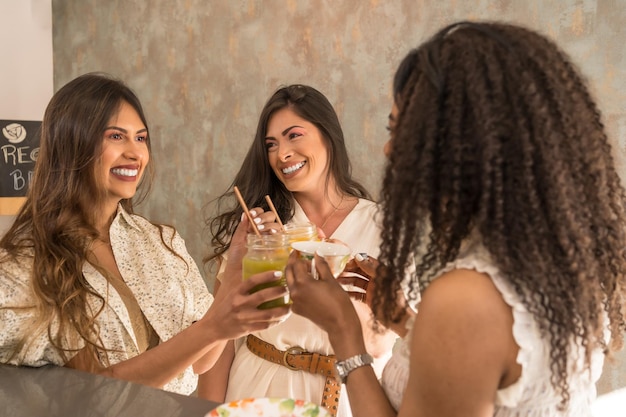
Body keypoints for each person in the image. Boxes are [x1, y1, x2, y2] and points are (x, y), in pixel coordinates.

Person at [285, 21, 626, 417]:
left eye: (404, 132)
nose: (389, 148)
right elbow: (477, 374)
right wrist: (404, 320)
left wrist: (343, 330)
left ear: (469, 146)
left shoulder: (464, 299)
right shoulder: (568, 268)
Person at [0, 73, 289, 396]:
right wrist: (215, 326)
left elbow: (201, 361)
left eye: (141, 138)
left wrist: (234, 273)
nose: (135, 153)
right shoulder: (26, 263)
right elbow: (94, 394)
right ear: (72, 142)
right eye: (116, 136)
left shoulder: (160, 242)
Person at [203, 84, 397, 416]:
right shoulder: (258, 228)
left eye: (294, 135)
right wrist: (204, 410)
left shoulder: (386, 226)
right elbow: (219, 338)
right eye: (271, 145)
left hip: (354, 397)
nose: (282, 154)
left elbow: (405, 334)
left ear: (328, 135)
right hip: (260, 392)